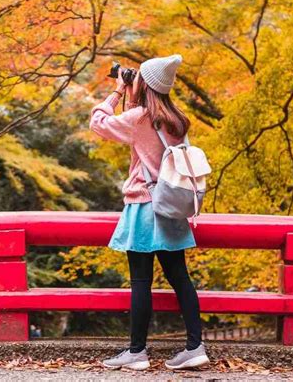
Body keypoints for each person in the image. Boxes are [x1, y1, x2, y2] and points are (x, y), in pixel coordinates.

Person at [89, 55, 210, 371]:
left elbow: (98, 122)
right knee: (180, 279)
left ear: (144, 83)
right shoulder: (177, 120)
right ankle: (195, 347)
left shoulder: (139, 117)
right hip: (171, 207)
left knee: (140, 281)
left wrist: (117, 91)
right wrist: (135, 92)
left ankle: (136, 352)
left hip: (144, 206)